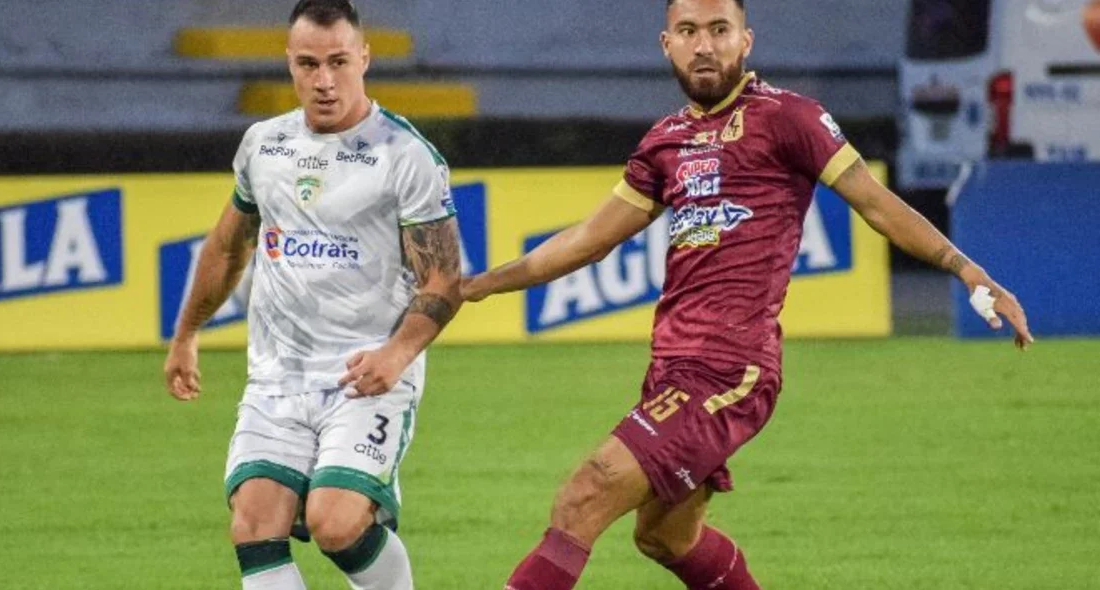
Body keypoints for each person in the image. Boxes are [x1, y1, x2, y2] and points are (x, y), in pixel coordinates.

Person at [462, 0, 1034, 588]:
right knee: (664, 536)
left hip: (729, 368)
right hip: (670, 368)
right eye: (688, 32)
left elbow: (875, 203)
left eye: (718, 30)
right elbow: (587, 240)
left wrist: (967, 269)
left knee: (584, 495)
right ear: (667, 44)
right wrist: (481, 284)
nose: (704, 45)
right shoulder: (666, 140)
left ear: (746, 41)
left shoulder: (790, 118)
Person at [162, 1, 462, 588]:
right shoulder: (263, 146)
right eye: (308, 64)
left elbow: (443, 280)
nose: (324, 81)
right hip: (278, 376)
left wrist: (395, 357)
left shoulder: (405, 156)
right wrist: (186, 335)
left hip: (366, 372)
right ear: (289, 64)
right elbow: (226, 248)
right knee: (253, 523)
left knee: (337, 522)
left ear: (365, 58)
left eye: (338, 62)